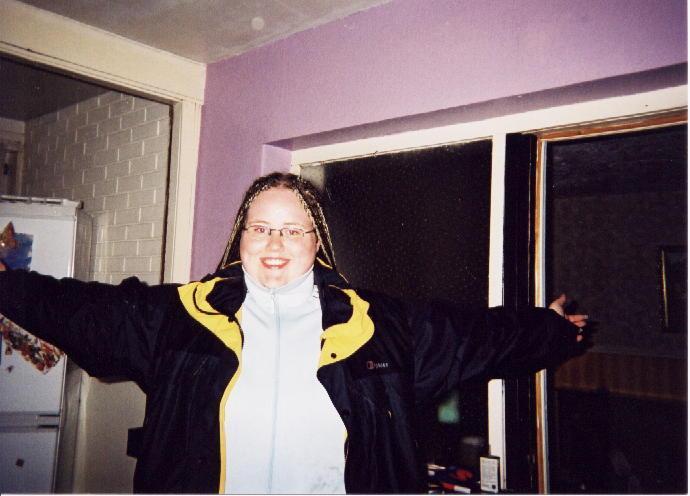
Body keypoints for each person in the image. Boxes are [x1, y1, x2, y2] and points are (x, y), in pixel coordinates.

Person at [0, 172, 588, 494]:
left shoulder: (378, 326)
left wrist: (551, 329)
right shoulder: (178, 316)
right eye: (260, 228)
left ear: (317, 243)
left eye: (292, 230)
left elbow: (480, 336)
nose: (274, 243)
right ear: (240, 239)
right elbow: (78, 308)